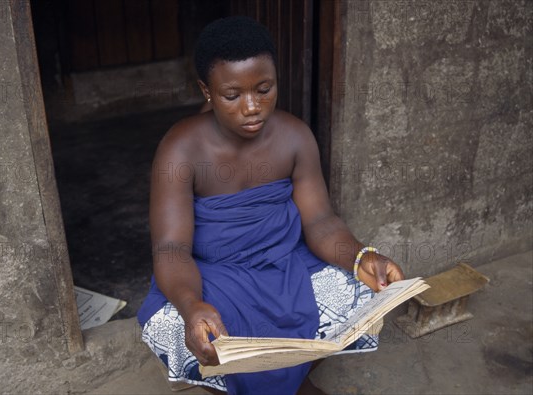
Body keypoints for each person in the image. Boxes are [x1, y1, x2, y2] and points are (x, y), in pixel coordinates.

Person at [137, 16, 404, 395]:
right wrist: (191, 303)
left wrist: (362, 257)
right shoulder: (180, 149)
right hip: (212, 275)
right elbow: (171, 248)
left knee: (359, 289)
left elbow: (322, 222)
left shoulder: (294, 136)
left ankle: (295, 375)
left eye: (264, 89)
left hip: (285, 264)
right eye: (233, 95)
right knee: (176, 323)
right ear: (207, 90)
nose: (252, 107)